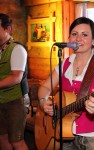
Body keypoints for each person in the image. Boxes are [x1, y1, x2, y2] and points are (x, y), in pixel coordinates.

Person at [38, 17, 94, 150]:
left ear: (93, 40)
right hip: (65, 134)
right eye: (74, 34)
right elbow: (45, 86)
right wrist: (43, 101)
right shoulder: (64, 63)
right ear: (69, 38)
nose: (78, 38)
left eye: (85, 35)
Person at [0, 13, 29, 150]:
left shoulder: (17, 49)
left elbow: (16, 77)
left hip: (15, 101)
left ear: (8, 29)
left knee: (17, 141)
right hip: (1, 100)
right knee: (3, 138)